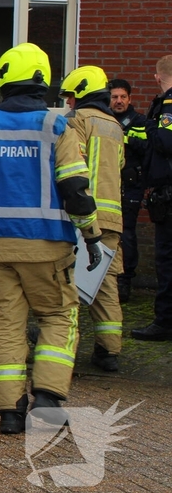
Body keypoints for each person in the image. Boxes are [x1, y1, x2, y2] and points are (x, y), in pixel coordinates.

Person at [0, 43, 102, 435]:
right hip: (47, 246)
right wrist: (91, 234)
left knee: (5, 326)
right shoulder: (56, 126)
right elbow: (75, 188)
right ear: (42, 80)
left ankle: (10, 413)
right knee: (58, 317)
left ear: (3, 81)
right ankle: (48, 402)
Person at [59, 66, 124, 372]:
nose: (69, 103)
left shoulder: (78, 121)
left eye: (71, 97)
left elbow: (73, 164)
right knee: (104, 281)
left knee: (68, 278)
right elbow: (119, 166)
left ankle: (61, 344)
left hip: (84, 215)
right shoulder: (116, 125)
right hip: (113, 216)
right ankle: (109, 350)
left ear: (82, 94)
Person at [131, 55, 172, 341]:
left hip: (169, 195)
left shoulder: (169, 105)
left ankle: (165, 322)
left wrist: (148, 127)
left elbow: (165, 142)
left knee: (166, 260)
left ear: (157, 77)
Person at [109, 78, 149, 302]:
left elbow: (148, 148)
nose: (119, 101)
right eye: (115, 97)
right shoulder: (103, 120)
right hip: (107, 186)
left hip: (131, 187)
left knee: (127, 234)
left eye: (123, 97)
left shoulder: (139, 121)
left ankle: (125, 281)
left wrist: (126, 138)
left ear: (130, 99)